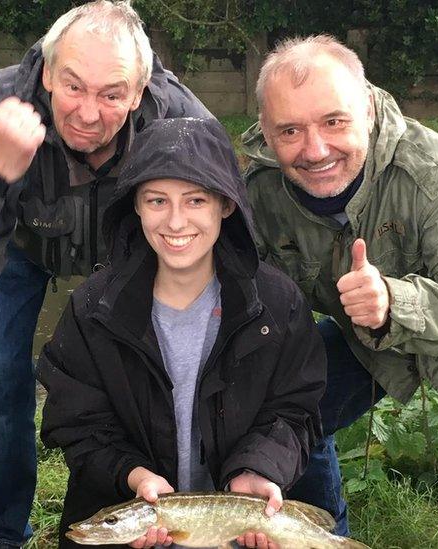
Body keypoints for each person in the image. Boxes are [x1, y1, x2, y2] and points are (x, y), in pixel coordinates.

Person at [0, 2, 212, 546]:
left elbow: (225, 235)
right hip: (20, 244)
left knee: (150, 371)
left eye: (112, 94)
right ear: (47, 73)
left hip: (130, 248)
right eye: (72, 86)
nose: (88, 114)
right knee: (3, 376)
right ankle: (1, 531)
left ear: (139, 92)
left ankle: (154, 513)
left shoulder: (181, 121)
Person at [242, 35, 438, 548]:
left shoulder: (435, 172)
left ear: (365, 106)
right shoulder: (261, 190)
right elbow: (252, 294)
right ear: (267, 131)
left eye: (334, 121)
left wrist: (392, 300)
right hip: (362, 327)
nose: (315, 149)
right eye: (290, 130)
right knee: (289, 412)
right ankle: (323, 538)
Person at [35, 117, 327, 549]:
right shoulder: (92, 307)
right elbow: (76, 422)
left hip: (240, 526)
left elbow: (295, 411)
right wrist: (132, 475)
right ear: (135, 204)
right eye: (157, 200)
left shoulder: (277, 302)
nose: (175, 222)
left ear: (225, 206)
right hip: (128, 509)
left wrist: (258, 468)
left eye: (195, 201)